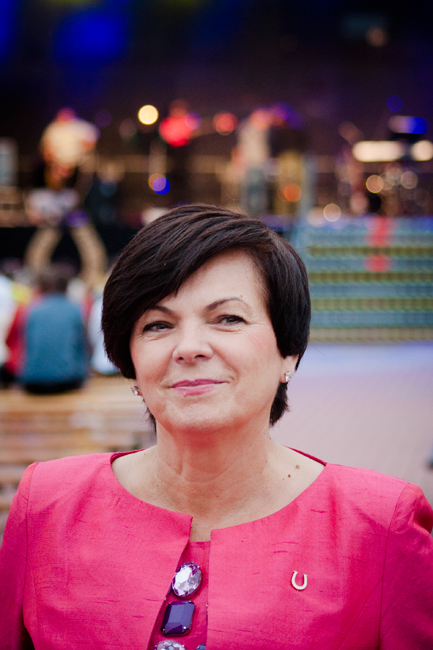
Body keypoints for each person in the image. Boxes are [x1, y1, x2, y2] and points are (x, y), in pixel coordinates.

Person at [0, 204, 432, 649]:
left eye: (228, 318)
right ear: (131, 362)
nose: (189, 348)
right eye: (158, 324)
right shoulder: (48, 507)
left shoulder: (377, 527)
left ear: (288, 350)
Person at [20, 267, 88, 394]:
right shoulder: (75, 309)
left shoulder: (32, 309)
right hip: (67, 379)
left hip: (33, 381)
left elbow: (26, 345)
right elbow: (82, 346)